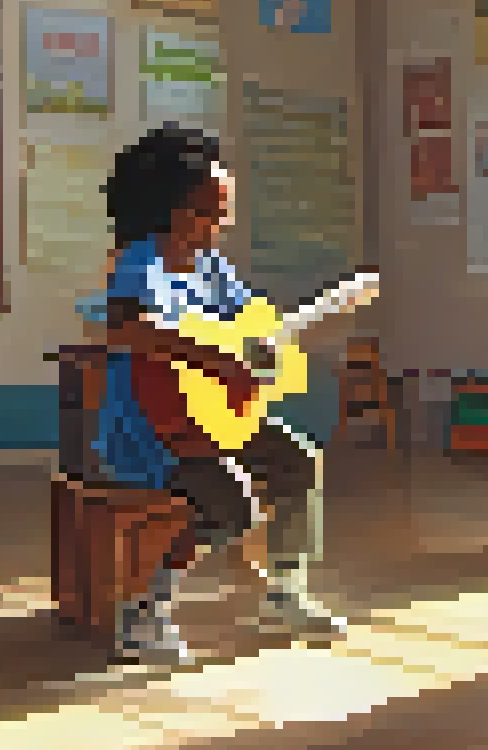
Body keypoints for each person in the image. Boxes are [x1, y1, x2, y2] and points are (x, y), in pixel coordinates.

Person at [79, 124, 347, 666]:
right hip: (152, 428)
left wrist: (261, 351)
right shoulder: (140, 261)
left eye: (223, 209)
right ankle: (143, 611)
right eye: (208, 210)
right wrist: (215, 358)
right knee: (231, 505)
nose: (221, 222)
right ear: (169, 210)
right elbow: (126, 329)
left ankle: (283, 592)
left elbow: (247, 326)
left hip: (215, 417)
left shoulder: (211, 268)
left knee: (297, 462)